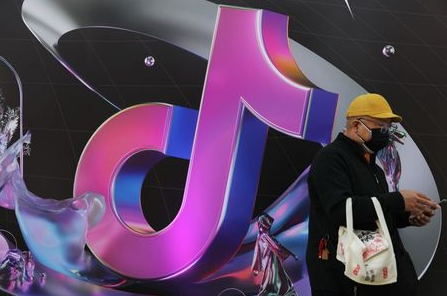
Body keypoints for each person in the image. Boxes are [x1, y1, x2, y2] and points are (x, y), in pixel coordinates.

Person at [305, 93, 440, 296]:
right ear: (356, 125)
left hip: (378, 277)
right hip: (342, 277)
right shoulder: (331, 158)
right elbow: (341, 210)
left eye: (387, 127)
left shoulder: (373, 167)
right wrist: (398, 200)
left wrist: (409, 216)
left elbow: (376, 214)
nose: (384, 133)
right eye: (379, 126)